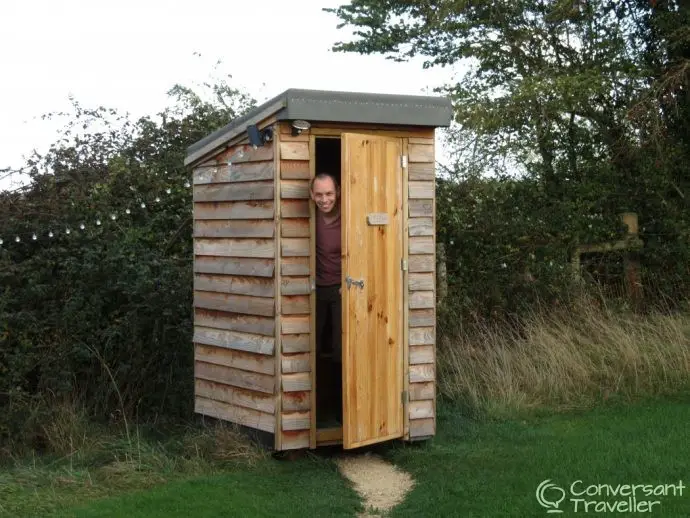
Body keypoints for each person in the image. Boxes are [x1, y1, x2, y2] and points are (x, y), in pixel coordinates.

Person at [310, 172, 342, 422]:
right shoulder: (309, 219)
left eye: (329, 193)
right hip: (316, 290)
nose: (324, 199)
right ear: (312, 195)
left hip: (343, 289)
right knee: (314, 347)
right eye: (319, 194)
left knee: (341, 349)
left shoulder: (347, 216)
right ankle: (317, 409)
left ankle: (343, 410)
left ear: (338, 192)